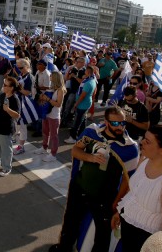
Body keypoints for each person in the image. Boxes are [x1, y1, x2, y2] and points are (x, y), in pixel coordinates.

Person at [50, 107, 140, 252]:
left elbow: (128, 180)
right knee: (70, 223)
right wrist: (90, 157)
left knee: (102, 235)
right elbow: (76, 150)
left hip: (105, 198)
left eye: (123, 123)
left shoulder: (130, 148)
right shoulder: (91, 132)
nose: (120, 127)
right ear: (106, 121)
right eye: (115, 123)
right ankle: (64, 248)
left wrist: (116, 203)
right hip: (80, 188)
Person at [36, 71, 66, 162]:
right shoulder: (53, 88)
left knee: (54, 136)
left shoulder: (60, 90)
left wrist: (47, 99)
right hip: (47, 114)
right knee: (45, 132)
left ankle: (53, 154)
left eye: (51, 76)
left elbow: (58, 104)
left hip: (54, 116)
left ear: (56, 78)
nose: (50, 77)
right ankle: (44, 148)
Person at [64, 64, 97, 144]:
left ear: (88, 73)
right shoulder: (91, 80)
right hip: (86, 103)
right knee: (82, 120)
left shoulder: (88, 83)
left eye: (86, 71)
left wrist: (76, 104)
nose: (84, 72)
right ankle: (81, 135)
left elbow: (82, 95)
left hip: (82, 104)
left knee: (77, 121)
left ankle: (73, 137)